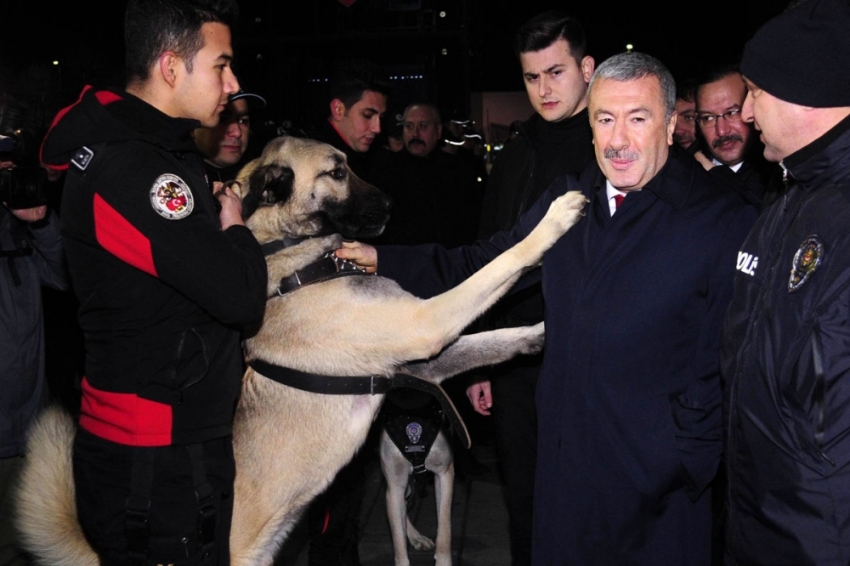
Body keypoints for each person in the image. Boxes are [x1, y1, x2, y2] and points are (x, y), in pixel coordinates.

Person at [337, 52, 757, 565]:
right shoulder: (569, 202)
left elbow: (732, 360)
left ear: (671, 125)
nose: (618, 140)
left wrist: (683, 458)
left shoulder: (719, 218)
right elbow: (484, 261)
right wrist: (382, 258)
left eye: (638, 118)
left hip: (656, 490)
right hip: (564, 469)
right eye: (605, 119)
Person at [39, 0, 268, 563]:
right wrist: (235, 229)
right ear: (171, 67)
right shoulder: (138, 170)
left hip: (156, 448)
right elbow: (242, 300)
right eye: (221, 65)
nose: (233, 84)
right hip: (158, 460)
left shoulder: (147, 155)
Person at [463, 11, 595, 565]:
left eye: (556, 72)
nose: (543, 89)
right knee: (525, 498)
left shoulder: (611, 148)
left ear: (587, 68)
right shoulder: (516, 155)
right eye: (531, 77)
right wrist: (480, 359)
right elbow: (486, 260)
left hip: (593, 357)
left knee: (591, 500)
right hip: (517, 357)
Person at [721, 0, 850, 563]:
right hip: (762, 522)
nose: (745, 113)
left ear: (807, 92)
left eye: (755, 92)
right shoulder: (789, 198)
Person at [0, 161, 67, 566]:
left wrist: (40, 223)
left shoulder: (14, 232)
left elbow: (68, 275)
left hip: (19, 429)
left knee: (16, 548)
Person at [371, 102, 484, 247]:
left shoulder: (459, 171)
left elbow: (472, 222)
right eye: (409, 126)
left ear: (438, 131)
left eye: (423, 126)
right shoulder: (384, 170)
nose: (415, 133)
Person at [692, 66, 780, 207]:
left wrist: (720, 177)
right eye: (708, 118)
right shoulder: (683, 172)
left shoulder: (781, 173)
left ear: (750, 108)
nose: (721, 131)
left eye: (732, 113)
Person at [311, 59, 389, 181]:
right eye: (367, 115)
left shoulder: (375, 158)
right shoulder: (312, 163)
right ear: (338, 110)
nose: (377, 128)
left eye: (381, 117)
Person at [194, 88, 266, 184]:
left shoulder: (263, 177)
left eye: (243, 121)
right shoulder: (179, 179)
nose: (237, 132)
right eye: (222, 119)